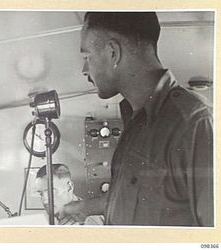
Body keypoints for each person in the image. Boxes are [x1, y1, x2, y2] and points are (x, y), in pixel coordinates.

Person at [59, 12, 213, 226]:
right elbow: (142, 199)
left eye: (87, 57)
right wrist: (85, 208)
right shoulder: (136, 120)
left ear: (113, 53)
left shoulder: (194, 124)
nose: (84, 70)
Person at [35, 163, 104, 225]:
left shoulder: (90, 221)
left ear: (69, 187)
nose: (45, 201)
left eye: (51, 192)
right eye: (41, 194)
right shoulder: (54, 218)